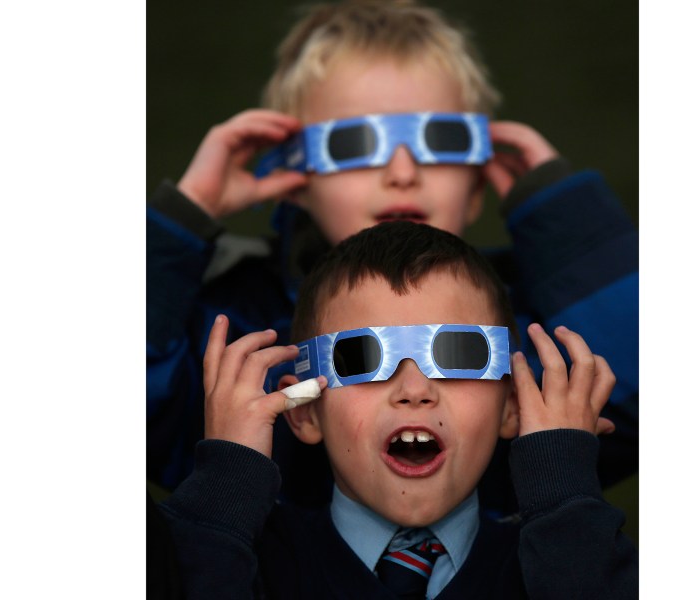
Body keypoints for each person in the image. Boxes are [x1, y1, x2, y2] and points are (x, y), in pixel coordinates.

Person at [147, 0, 638, 509]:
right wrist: (183, 216)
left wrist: (565, 220)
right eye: (355, 143)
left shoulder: (529, 328)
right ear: (293, 178)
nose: (402, 170)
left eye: (441, 139)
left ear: (477, 184)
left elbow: (635, 400)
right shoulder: (233, 331)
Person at [158, 221, 638, 599]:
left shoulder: (581, 557)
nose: (414, 389)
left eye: (459, 354)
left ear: (515, 407)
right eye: (361, 358)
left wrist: (563, 493)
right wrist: (224, 480)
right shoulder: (234, 554)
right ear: (302, 410)